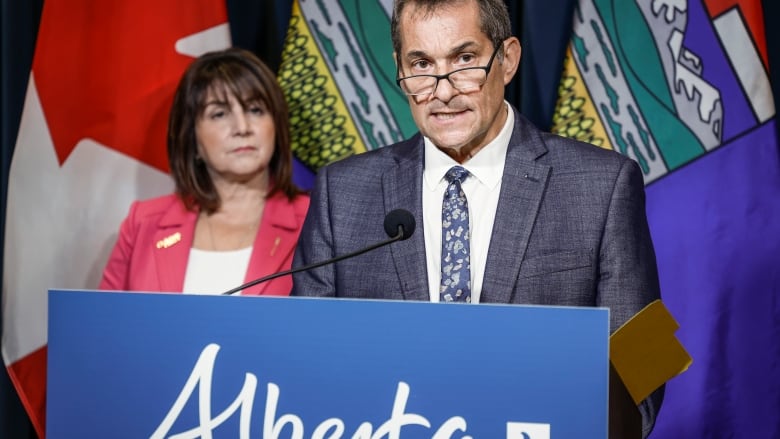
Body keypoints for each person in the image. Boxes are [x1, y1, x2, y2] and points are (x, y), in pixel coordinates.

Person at [291, 0, 662, 435]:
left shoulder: (604, 183)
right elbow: (306, 363)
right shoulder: (344, 192)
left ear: (507, 60)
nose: (443, 90)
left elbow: (644, 364)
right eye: (421, 64)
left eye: (464, 60)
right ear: (399, 71)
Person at [100, 48, 309, 296]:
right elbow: (100, 326)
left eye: (255, 110)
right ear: (193, 138)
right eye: (219, 114)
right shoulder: (143, 223)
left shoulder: (317, 222)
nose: (242, 128)